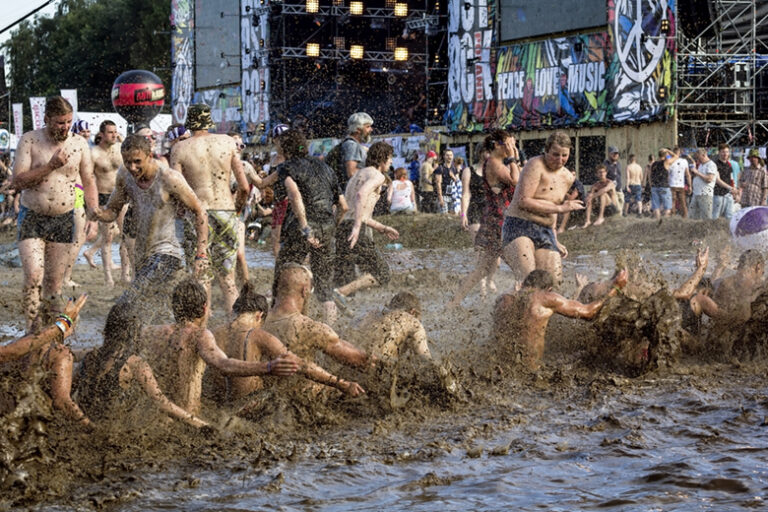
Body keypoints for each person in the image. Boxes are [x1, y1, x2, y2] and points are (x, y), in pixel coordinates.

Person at [91, 134, 208, 322]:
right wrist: (98, 214)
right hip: (143, 254)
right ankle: (160, 343)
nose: (132, 167)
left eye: (137, 162)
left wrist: (201, 253)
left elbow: (200, 212)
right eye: (127, 162)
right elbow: (113, 210)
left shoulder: (169, 178)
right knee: (153, 309)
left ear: (150, 155)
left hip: (168, 253)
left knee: (129, 301)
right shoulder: (124, 176)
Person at [12, 96, 98, 333]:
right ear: (46, 119)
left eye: (68, 122)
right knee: (33, 277)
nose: (65, 127)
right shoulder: (30, 140)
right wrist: (50, 166)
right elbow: (17, 180)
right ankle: (31, 331)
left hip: (63, 217)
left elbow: (89, 181)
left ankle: (52, 335)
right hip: (33, 216)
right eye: (59, 123)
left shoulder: (79, 144)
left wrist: (92, 215)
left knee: (53, 285)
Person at [209, 280, 364, 403]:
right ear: (259, 316)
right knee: (311, 388)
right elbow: (300, 365)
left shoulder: (213, 333)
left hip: (220, 401)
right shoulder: (258, 335)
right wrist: (342, 384)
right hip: (250, 405)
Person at [171, 103, 250, 314]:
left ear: (190, 122)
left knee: (201, 276)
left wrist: (179, 211)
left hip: (197, 214)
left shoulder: (179, 148)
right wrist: (238, 210)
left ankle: (202, 328)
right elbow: (244, 187)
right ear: (209, 120)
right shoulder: (227, 142)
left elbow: (176, 189)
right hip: (226, 210)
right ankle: (236, 328)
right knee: (228, 279)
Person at [271, 129, 347, 325]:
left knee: (283, 276)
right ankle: (330, 332)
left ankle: (280, 324)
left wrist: (305, 228)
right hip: (326, 228)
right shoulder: (326, 168)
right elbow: (344, 207)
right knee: (325, 288)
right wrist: (332, 227)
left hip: (301, 229)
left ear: (285, 149)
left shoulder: (287, 167)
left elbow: (294, 195)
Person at [493, 268, 628, 370]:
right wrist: (616, 288)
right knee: (583, 356)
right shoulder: (545, 298)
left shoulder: (502, 300)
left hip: (502, 367)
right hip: (530, 370)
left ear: (523, 284)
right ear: (549, 290)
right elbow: (589, 312)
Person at [263, 264, 373, 381]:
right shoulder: (310, 328)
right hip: (301, 391)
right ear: (305, 291)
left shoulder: (258, 319)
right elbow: (361, 361)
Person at [501, 131, 583, 285]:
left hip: (545, 230)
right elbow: (523, 201)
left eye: (564, 155)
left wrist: (555, 240)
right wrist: (560, 208)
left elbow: (551, 208)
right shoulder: (535, 164)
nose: (559, 160)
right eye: (555, 154)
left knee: (553, 283)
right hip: (519, 225)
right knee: (529, 281)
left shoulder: (568, 177)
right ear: (546, 151)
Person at [449, 130, 519, 307]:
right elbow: (516, 181)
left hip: (496, 219)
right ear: (497, 145)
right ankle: (520, 302)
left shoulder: (496, 162)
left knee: (482, 268)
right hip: (498, 222)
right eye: (510, 144)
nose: (513, 147)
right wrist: (512, 159)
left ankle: (454, 302)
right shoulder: (495, 164)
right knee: (520, 267)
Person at [334, 141, 399, 301]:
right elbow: (361, 195)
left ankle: (336, 305)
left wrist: (382, 228)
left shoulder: (357, 175)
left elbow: (358, 212)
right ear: (383, 158)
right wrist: (357, 227)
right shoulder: (378, 176)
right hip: (355, 229)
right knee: (383, 274)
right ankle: (340, 293)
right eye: (390, 158)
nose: (391, 162)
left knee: (343, 277)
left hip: (343, 227)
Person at [83, 120, 123, 287]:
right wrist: (92, 207)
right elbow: (88, 180)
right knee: (107, 238)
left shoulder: (121, 148)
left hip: (121, 195)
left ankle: (126, 273)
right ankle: (108, 277)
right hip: (104, 197)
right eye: (110, 132)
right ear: (101, 134)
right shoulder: (94, 153)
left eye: (115, 131)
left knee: (125, 235)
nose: (114, 135)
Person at [348, 291, 432, 361]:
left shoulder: (367, 315)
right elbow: (425, 359)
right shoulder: (412, 321)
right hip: (377, 368)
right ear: (413, 312)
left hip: (348, 359)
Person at [339, 112, 373, 191]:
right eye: (368, 127)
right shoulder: (352, 145)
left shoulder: (354, 145)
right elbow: (351, 172)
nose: (371, 129)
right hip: (352, 194)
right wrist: (372, 172)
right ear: (358, 129)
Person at [689, 148, 718, 219]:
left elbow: (709, 179)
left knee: (706, 218)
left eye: (698, 157)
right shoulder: (701, 165)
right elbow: (701, 176)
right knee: (692, 216)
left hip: (705, 194)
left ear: (704, 155)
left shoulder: (711, 165)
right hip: (696, 194)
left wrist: (697, 172)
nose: (697, 159)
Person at [648, 148, 677, 219]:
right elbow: (676, 156)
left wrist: (651, 184)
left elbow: (650, 175)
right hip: (664, 187)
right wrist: (668, 151)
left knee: (656, 207)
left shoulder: (653, 164)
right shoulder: (666, 162)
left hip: (654, 187)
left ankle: (658, 222)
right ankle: (664, 223)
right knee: (667, 208)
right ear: (665, 155)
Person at [712, 143, 738, 219]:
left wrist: (734, 190)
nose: (725, 154)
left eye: (727, 152)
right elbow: (717, 180)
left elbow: (731, 178)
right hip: (717, 194)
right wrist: (730, 188)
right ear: (719, 152)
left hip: (728, 194)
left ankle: (727, 230)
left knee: (729, 216)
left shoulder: (729, 164)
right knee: (715, 216)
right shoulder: (715, 164)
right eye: (723, 152)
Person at [668, 146, 691, 217]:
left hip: (672, 185)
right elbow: (687, 174)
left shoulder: (670, 161)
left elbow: (667, 175)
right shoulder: (684, 161)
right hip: (681, 185)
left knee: (672, 203)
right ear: (680, 152)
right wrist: (690, 186)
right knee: (683, 203)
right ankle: (684, 217)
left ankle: (672, 217)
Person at [434, 148, 457, 214]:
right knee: (444, 217)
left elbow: (457, 183)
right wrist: (440, 198)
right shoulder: (440, 168)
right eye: (447, 155)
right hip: (443, 196)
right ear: (444, 156)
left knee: (453, 217)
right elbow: (438, 184)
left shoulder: (454, 168)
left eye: (451, 155)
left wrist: (453, 177)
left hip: (453, 196)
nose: (449, 157)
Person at [604, 146, 624, 212]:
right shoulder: (606, 164)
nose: (616, 155)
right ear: (609, 154)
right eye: (614, 153)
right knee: (616, 209)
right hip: (611, 191)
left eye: (617, 153)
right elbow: (603, 178)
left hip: (619, 190)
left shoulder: (618, 164)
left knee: (620, 210)